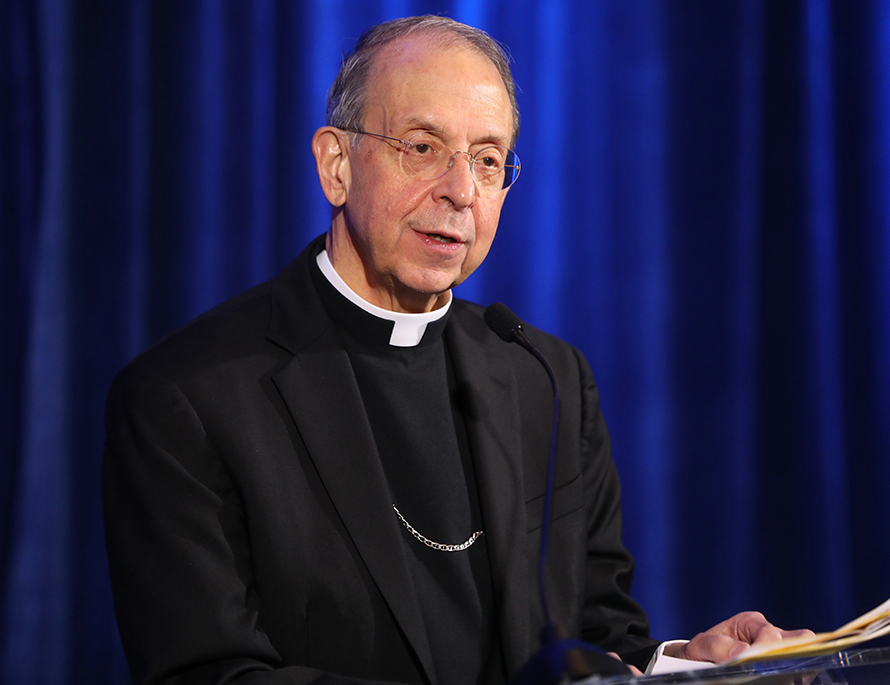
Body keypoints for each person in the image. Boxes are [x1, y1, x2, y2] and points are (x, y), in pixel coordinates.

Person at [102, 15, 808, 685]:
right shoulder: (188, 396)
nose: (461, 191)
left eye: (488, 158)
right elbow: (209, 672)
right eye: (422, 147)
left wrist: (688, 664)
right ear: (336, 165)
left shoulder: (546, 377)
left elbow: (596, 641)